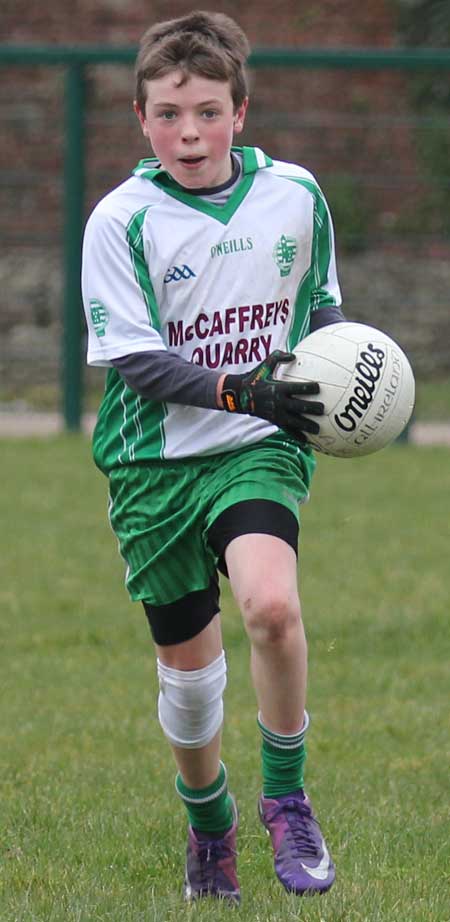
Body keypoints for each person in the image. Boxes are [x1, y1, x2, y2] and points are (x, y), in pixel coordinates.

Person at [81, 9, 345, 905]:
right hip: (152, 466)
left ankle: (287, 800)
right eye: (165, 113)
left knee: (271, 607)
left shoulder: (297, 197)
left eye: (204, 111)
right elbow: (138, 362)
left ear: (240, 111)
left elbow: (323, 316)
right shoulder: (121, 219)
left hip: (255, 448)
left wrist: (346, 386)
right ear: (140, 119)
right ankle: (209, 825)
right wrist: (243, 388)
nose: (186, 132)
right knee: (191, 691)